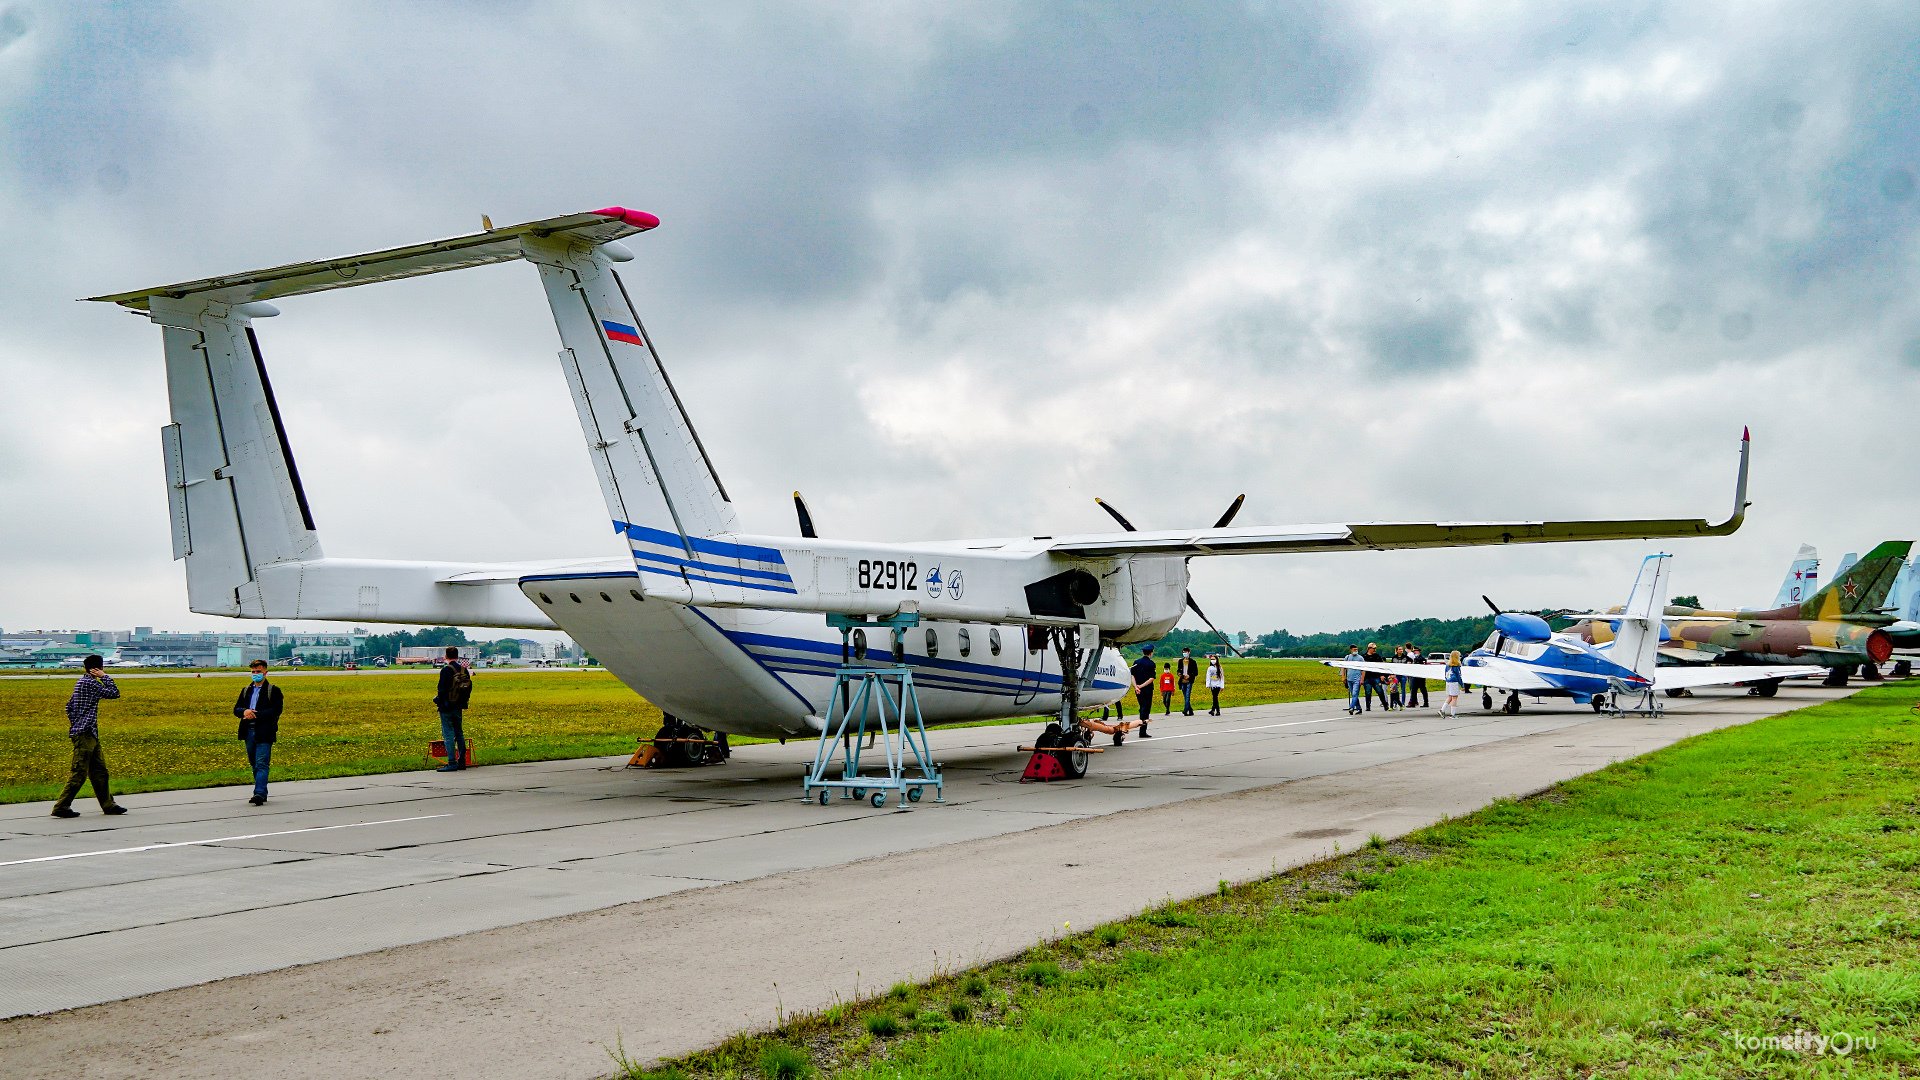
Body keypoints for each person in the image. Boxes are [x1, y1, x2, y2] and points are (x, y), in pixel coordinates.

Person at [51, 656, 127, 818]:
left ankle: (108, 804)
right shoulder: (90, 683)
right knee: (79, 772)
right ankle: (61, 806)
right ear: (97, 668)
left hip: (88, 732)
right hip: (85, 733)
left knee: (100, 771)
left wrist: (76, 722)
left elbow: (69, 706)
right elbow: (115, 693)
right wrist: (104, 677)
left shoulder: (80, 683)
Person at [232, 658, 284, 805]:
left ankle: (259, 793)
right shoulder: (246, 690)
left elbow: (276, 710)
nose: (256, 674)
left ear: (265, 673)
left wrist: (256, 714)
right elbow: (236, 709)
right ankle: (262, 791)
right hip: (248, 730)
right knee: (254, 763)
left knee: (262, 763)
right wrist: (245, 711)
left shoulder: (273, 691)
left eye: (258, 672)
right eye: (253, 672)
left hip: (264, 731)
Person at [434, 647, 474, 771]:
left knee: (448, 735)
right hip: (459, 706)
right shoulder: (463, 670)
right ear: (457, 656)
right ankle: (462, 761)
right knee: (459, 733)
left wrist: (438, 701)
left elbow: (441, 690)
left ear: (446, 656)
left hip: (447, 707)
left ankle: (451, 762)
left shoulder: (446, 670)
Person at [1130, 646, 1156, 738]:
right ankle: (1143, 731)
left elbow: (1132, 675)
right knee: (1146, 709)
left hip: (1138, 689)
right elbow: (1151, 678)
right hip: (1147, 689)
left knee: (1142, 707)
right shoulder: (1151, 664)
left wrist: (1136, 686)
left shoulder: (1136, 662)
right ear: (1151, 653)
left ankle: (1142, 729)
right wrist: (1141, 686)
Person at [1362, 643, 1391, 712]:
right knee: (1368, 692)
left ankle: (1385, 705)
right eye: (1373, 648)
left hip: (1376, 677)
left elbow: (1381, 666)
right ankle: (1368, 706)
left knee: (1380, 691)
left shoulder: (1377, 656)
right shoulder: (1364, 657)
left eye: (1375, 648)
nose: (1375, 650)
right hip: (1367, 677)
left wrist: (1382, 675)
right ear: (1369, 648)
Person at [1404, 642, 1430, 709]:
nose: (1414, 652)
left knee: (1423, 690)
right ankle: (1413, 702)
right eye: (1414, 651)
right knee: (1413, 690)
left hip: (1421, 677)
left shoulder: (1422, 659)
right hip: (1415, 676)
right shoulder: (1415, 658)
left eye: (1415, 651)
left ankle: (1426, 702)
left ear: (1418, 651)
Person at [1176, 647, 1199, 716]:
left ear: (1189, 652)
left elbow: (1196, 672)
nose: (1184, 653)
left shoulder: (1193, 662)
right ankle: (1190, 710)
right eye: (1183, 652)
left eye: (1186, 652)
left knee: (1187, 696)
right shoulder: (1180, 661)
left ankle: (1185, 710)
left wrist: (1190, 675)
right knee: (1185, 696)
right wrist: (1179, 673)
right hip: (1182, 680)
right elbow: (1178, 670)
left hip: (1189, 680)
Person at [1442, 650, 1464, 718]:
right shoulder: (1456, 666)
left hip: (1448, 681)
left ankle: (1442, 710)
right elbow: (1458, 676)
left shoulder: (1448, 665)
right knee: (1454, 698)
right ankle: (1453, 714)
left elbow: (1445, 674)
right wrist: (1462, 685)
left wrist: (1447, 680)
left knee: (1450, 697)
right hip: (1454, 682)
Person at [1341, 645, 1363, 715]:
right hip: (1349, 679)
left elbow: (1364, 670)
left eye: (1356, 649)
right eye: (1354, 649)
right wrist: (1343, 676)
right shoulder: (1347, 657)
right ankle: (1359, 708)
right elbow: (1343, 667)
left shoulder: (1360, 658)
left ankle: (1351, 707)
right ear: (1351, 650)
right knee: (1353, 694)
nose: (1355, 650)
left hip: (1357, 679)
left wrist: (1362, 679)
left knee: (1354, 693)